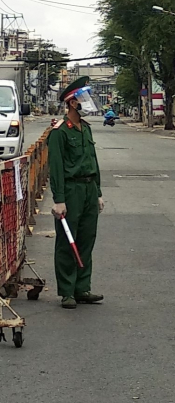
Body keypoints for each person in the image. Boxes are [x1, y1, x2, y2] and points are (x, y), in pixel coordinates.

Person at [48, 77, 105, 309]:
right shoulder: (59, 132)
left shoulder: (86, 129)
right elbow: (56, 168)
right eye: (83, 99)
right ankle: (67, 292)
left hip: (89, 189)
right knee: (66, 241)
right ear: (72, 103)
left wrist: (98, 192)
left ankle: (82, 288)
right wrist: (59, 200)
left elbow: (93, 161)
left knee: (86, 239)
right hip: (71, 190)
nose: (87, 102)